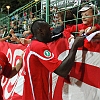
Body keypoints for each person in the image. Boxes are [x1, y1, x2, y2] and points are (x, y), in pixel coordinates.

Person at [22, 19, 85, 100]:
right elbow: (62, 71)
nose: (51, 32)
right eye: (48, 29)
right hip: (37, 96)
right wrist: (75, 46)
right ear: (40, 31)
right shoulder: (38, 47)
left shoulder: (32, 45)